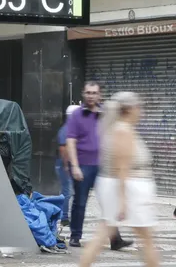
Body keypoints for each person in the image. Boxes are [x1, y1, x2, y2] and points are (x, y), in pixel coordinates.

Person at [79, 91, 159, 267]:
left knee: (104, 233)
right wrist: (123, 201)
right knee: (146, 239)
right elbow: (122, 167)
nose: (141, 111)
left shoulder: (118, 128)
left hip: (120, 186)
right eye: (139, 107)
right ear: (129, 109)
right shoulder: (123, 131)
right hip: (128, 189)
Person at [66, 81, 132, 250]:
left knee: (108, 202)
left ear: (99, 95)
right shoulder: (77, 115)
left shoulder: (105, 114)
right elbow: (70, 142)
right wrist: (74, 166)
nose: (91, 96)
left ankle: (115, 239)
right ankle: (75, 237)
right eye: (88, 92)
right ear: (83, 94)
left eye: (94, 93)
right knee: (80, 203)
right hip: (83, 166)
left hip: (103, 167)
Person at [55, 104, 79, 227]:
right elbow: (63, 149)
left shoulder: (70, 129)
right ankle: (64, 217)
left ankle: (62, 214)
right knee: (67, 191)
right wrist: (66, 165)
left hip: (66, 164)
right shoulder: (66, 129)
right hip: (64, 164)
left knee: (67, 191)